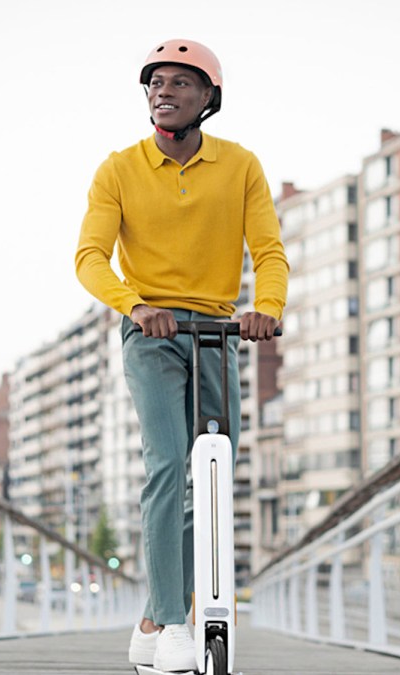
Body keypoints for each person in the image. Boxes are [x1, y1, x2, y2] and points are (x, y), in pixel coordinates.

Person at [74, 38, 288, 672]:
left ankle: (151, 609)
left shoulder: (241, 165)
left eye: (179, 82)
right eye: (154, 83)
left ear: (208, 98)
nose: (162, 91)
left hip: (220, 334)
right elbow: (89, 257)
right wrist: (136, 307)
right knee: (168, 465)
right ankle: (172, 621)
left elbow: (269, 252)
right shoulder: (119, 169)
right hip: (154, 334)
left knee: (214, 479)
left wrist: (267, 309)